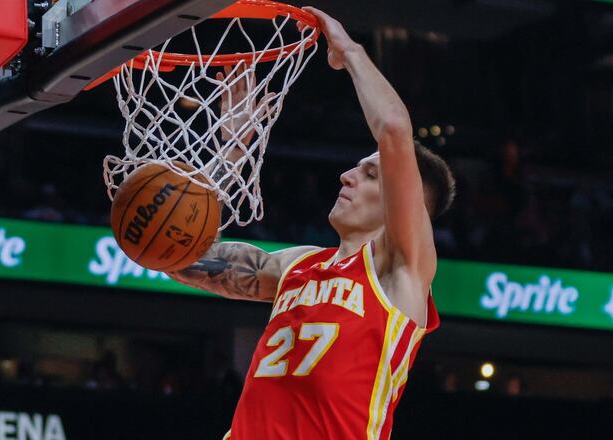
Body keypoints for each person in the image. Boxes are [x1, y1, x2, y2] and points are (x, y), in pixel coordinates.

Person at [168, 7, 456, 440]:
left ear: (404, 206)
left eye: (371, 174)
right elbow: (180, 258)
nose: (347, 176)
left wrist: (349, 52)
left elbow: (394, 129)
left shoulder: (399, 274)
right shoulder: (297, 266)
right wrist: (231, 150)